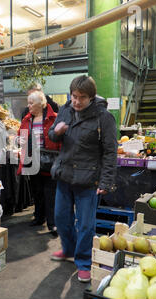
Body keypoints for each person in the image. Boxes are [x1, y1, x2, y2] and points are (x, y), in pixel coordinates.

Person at [48, 75, 117, 283]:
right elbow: (52, 135)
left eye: (82, 97)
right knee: (61, 218)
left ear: (91, 97)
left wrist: (105, 182)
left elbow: (110, 152)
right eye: (73, 96)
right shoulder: (65, 110)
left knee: (85, 224)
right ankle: (69, 249)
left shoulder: (103, 118)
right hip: (65, 175)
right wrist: (56, 131)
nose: (76, 101)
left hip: (88, 179)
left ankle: (84, 262)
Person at [17, 90, 61, 235]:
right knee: (37, 192)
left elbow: (60, 140)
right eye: (28, 103)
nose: (28, 106)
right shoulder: (26, 120)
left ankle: (53, 223)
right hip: (33, 161)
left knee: (51, 194)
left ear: (41, 104)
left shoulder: (54, 118)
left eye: (31, 103)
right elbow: (21, 136)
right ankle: (38, 217)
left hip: (50, 161)